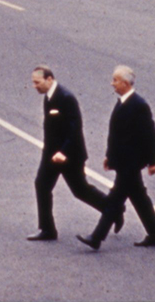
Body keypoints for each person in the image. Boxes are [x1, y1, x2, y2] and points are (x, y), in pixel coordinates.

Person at [77, 65, 155, 250]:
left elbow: (151, 135)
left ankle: (96, 237)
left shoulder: (139, 105)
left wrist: (153, 162)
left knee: (115, 199)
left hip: (131, 163)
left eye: (115, 80)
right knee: (139, 197)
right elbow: (115, 134)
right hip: (123, 161)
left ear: (125, 83)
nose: (112, 83)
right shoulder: (123, 102)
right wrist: (109, 156)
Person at [26, 64, 109, 241]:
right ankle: (48, 230)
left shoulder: (66, 97)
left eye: (37, 82)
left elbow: (75, 129)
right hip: (51, 155)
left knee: (80, 190)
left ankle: (112, 209)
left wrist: (63, 152)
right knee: (42, 185)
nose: (35, 86)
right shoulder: (48, 96)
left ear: (49, 79)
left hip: (69, 155)